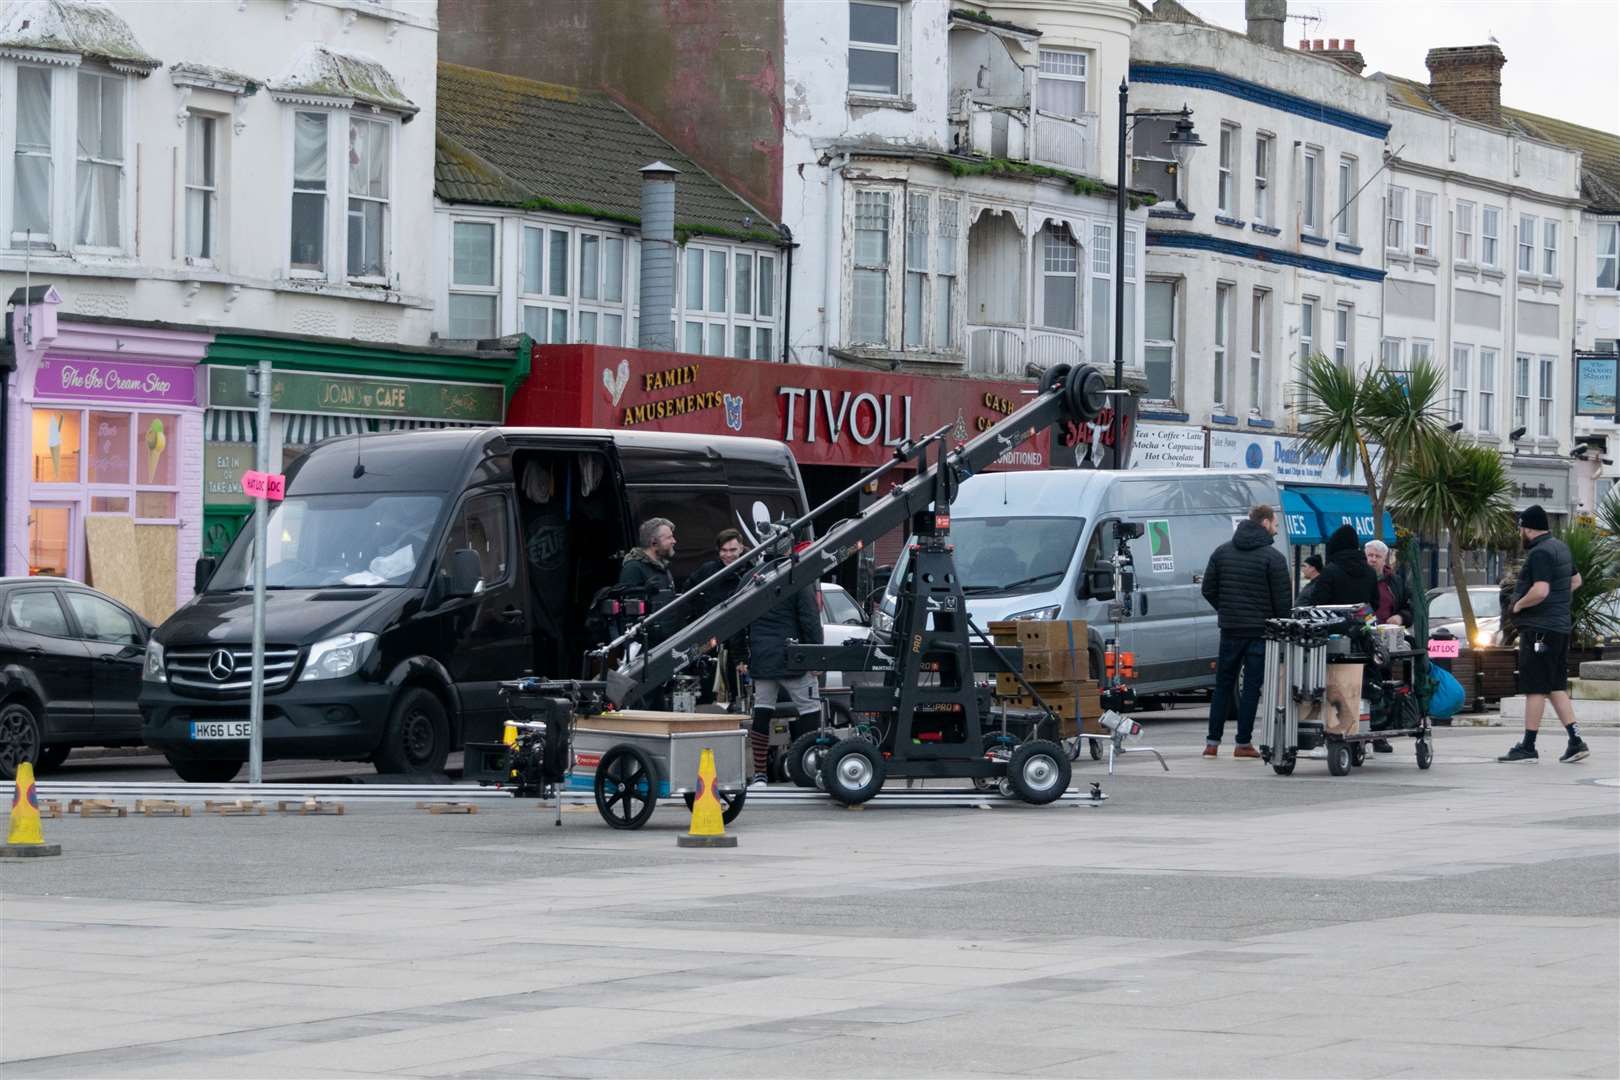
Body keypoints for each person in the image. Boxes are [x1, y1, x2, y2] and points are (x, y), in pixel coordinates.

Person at [1199, 504, 1292, 758]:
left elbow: (1208, 589)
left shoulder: (1221, 552)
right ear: (1264, 523)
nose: (1275, 530)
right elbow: (1283, 603)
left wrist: (1227, 609)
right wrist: (1281, 629)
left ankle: (1212, 743)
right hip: (1260, 632)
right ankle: (1242, 743)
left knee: (1223, 685)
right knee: (1251, 688)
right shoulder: (1273, 558)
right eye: (1274, 524)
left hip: (1230, 629)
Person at [1499, 505, 1588, 763]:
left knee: (1535, 687)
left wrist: (1517, 605)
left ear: (1527, 528)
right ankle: (1575, 740)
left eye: (1521, 529)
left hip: (1540, 630)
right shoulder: (1560, 548)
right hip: (1559, 628)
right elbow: (1576, 580)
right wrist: (1560, 603)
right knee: (1555, 685)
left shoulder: (1539, 554)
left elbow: (1540, 591)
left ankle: (1528, 746)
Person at [742, 572, 823, 787]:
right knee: (810, 710)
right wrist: (817, 657)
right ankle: (809, 765)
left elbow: (737, 619)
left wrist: (740, 656)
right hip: (792, 658)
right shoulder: (796, 577)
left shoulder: (751, 578)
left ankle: (760, 773)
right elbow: (810, 618)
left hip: (761, 657)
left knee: (762, 711)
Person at [686, 529, 749, 711]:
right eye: (724, 550)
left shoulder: (750, 569)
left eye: (732, 550)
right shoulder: (708, 570)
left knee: (738, 690)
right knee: (707, 685)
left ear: (741, 549)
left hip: (739, 642)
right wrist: (701, 614)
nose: (728, 555)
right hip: (709, 640)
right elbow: (688, 594)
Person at [1313, 524, 1380, 608]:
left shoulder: (1329, 571)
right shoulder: (1370, 572)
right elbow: (1375, 603)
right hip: (1361, 619)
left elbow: (1318, 602)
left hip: (1334, 619)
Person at [618, 517, 677, 605]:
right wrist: (644, 592)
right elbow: (628, 606)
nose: (674, 541)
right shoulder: (633, 568)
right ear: (654, 542)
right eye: (669, 538)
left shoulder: (662, 566)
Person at [1365, 540, 1413, 628]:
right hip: (1363, 633)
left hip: (1390, 633)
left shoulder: (1396, 582)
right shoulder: (1356, 580)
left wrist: (1401, 617)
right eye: (1370, 555)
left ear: (1384, 559)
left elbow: (1411, 606)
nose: (1373, 559)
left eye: (1378, 556)